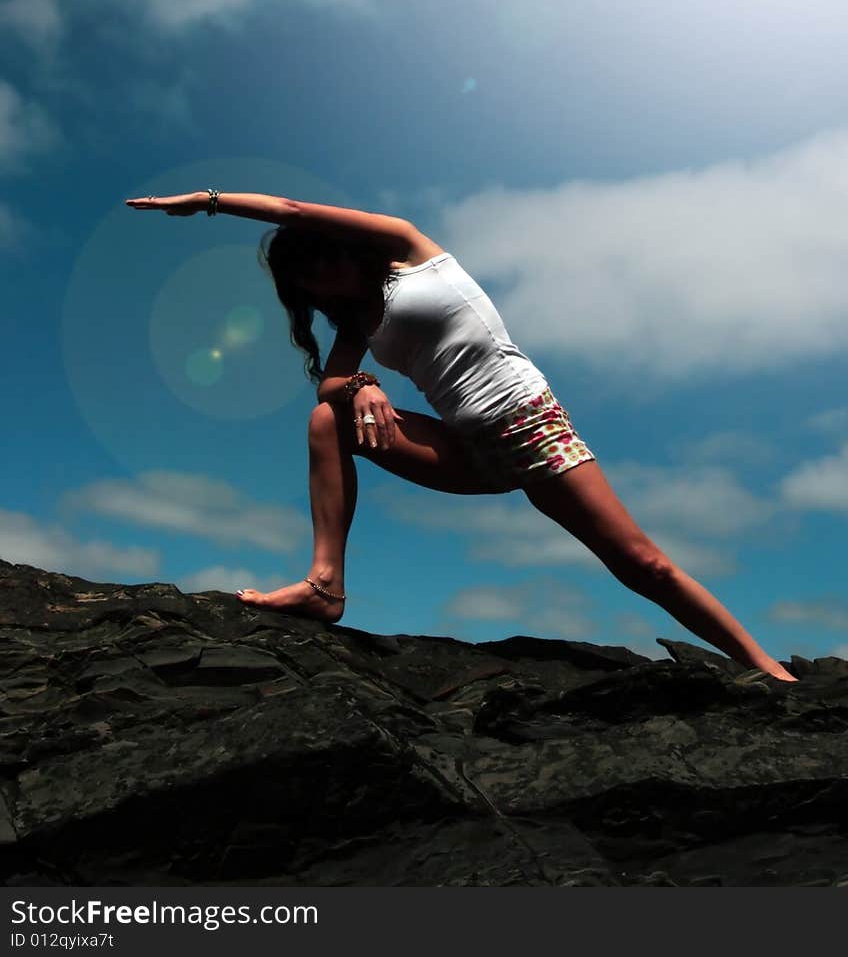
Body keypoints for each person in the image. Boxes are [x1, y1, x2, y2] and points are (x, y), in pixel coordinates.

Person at [125, 188, 798, 682]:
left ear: (346, 247)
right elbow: (330, 386)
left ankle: (769, 670)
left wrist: (210, 202)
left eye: (326, 258)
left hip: (530, 427)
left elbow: (295, 213)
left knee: (642, 564)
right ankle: (325, 584)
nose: (323, 273)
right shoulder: (356, 323)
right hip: (463, 449)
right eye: (307, 274)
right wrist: (361, 385)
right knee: (327, 415)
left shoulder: (413, 252)